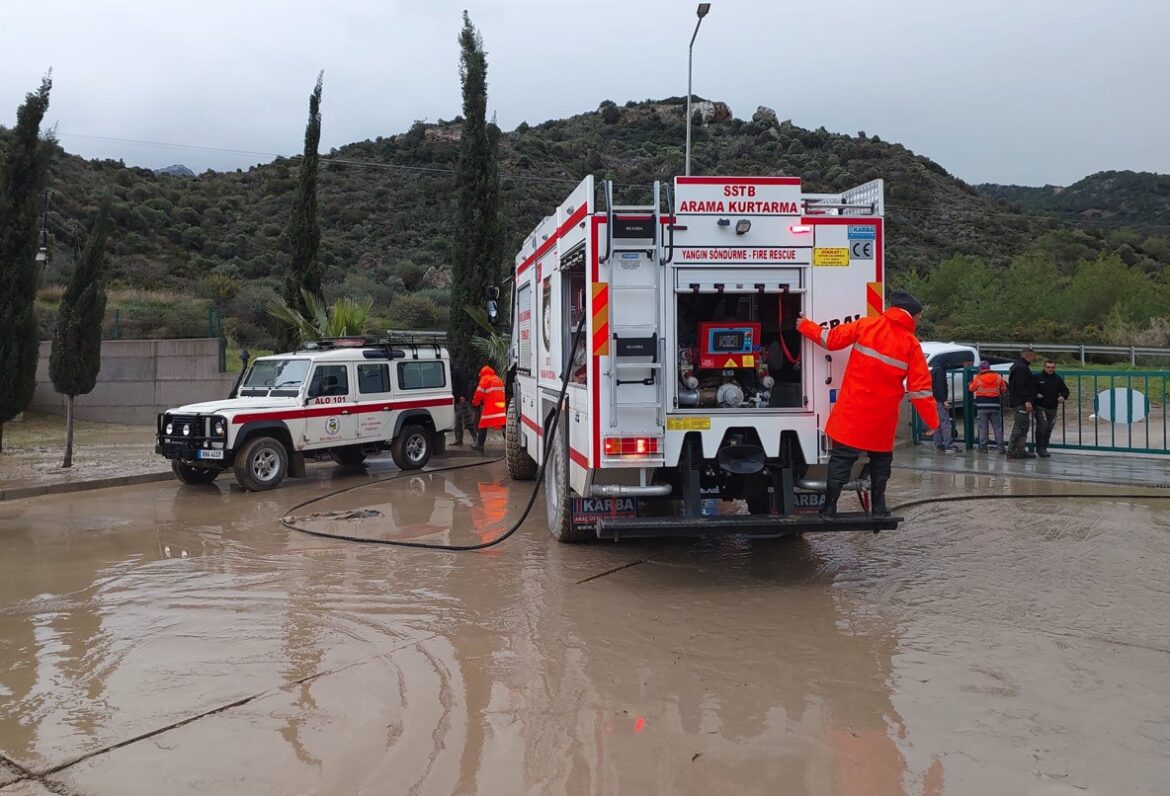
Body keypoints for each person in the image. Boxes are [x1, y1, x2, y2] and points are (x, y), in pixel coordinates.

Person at [798, 291, 939, 518]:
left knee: (841, 460)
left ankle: (829, 509)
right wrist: (931, 420)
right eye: (920, 316)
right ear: (911, 316)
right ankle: (879, 508)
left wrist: (805, 326)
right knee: (881, 462)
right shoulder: (911, 344)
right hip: (882, 416)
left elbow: (830, 339)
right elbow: (920, 388)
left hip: (854, 410)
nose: (920, 320)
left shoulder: (867, 325)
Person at [967, 361, 1008, 453]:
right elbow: (1004, 389)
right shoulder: (998, 377)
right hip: (995, 405)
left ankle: (983, 447)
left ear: (980, 369)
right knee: (997, 427)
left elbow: (971, 389)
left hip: (982, 406)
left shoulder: (978, 378)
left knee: (983, 428)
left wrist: (969, 384)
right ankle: (1001, 448)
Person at [1006, 345, 1038, 459]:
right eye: (1033, 355)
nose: (1035, 357)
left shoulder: (1017, 366)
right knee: (1020, 427)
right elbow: (1021, 386)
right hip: (1021, 402)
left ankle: (1020, 450)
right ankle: (1012, 450)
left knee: (1023, 426)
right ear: (1028, 355)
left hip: (1018, 401)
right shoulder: (1022, 368)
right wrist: (1027, 401)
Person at [1033, 359, 1069, 458]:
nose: (1050, 369)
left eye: (1052, 367)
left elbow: (1065, 391)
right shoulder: (1037, 377)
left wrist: (1063, 396)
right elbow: (1030, 389)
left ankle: (1044, 447)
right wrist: (1035, 396)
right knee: (1042, 426)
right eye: (1048, 367)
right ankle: (1040, 448)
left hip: (1053, 407)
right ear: (1044, 367)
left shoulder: (1058, 379)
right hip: (1040, 407)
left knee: (1049, 428)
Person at [470, 365, 506, 453]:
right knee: (503, 423)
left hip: (490, 406)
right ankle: (510, 443)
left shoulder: (485, 379)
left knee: (483, 424)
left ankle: (479, 445)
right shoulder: (498, 379)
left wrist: (475, 402)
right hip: (501, 406)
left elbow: (479, 392)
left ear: (482, 373)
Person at [930, 361, 958, 452]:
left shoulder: (933, 371)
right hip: (939, 401)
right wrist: (944, 400)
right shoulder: (940, 371)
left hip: (933, 400)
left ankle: (938, 444)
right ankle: (948, 444)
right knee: (945, 423)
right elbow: (940, 387)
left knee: (936, 423)